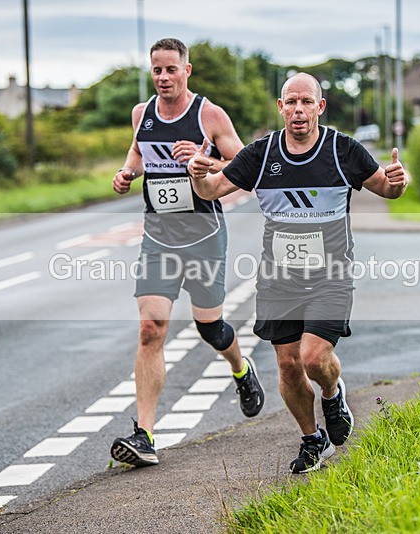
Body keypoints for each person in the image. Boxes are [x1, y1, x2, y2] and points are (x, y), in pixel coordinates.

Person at [187, 72, 409, 473]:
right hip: (278, 277)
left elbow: (386, 188)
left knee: (312, 358)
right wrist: (198, 176)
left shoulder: (342, 150)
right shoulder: (261, 153)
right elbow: (212, 191)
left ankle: (332, 392)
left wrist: (399, 181)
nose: (298, 110)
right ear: (281, 108)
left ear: (320, 107)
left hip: (331, 273)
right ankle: (313, 439)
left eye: (306, 102)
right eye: (291, 102)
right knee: (288, 365)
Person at [109, 38, 265, 467]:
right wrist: (126, 173)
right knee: (150, 329)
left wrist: (205, 163)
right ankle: (144, 436)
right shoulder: (142, 114)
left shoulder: (208, 115)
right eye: (156, 70)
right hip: (158, 236)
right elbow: (138, 152)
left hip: (202, 236)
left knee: (210, 329)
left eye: (171, 70)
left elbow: (245, 171)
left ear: (186, 70)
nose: (163, 78)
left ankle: (241, 369)